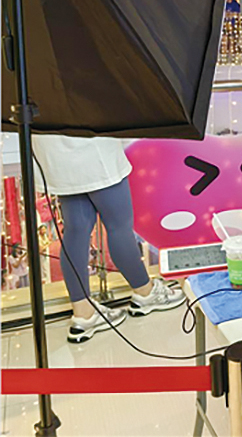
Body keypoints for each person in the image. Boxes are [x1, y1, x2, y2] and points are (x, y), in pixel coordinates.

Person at [32, 136, 185, 342]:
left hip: (54, 152)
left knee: (75, 231)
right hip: (92, 148)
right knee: (118, 226)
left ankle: (83, 314)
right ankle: (146, 292)